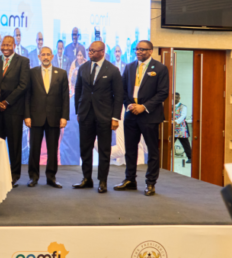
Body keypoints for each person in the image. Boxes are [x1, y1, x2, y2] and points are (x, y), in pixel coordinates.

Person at [115, 40, 169, 196]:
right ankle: (130, 180)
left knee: (152, 151)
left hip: (150, 115)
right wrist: (130, 105)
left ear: (150, 51)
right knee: (130, 150)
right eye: (136, 49)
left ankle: (150, 183)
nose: (138, 52)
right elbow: (122, 89)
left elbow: (163, 92)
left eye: (142, 49)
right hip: (131, 114)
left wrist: (143, 107)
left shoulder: (160, 68)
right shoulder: (129, 67)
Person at [73, 41, 124, 193]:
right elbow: (78, 90)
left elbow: (118, 95)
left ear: (102, 52)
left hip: (104, 117)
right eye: (89, 50)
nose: (90, 53)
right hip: (85, 115)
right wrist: (78, 112)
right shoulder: (83, 68)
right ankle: (86, 179)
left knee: (104, 151)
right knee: (85, 149)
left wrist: (115, 118)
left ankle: (102, 181)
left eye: (93, 51)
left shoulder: (113, 70)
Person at [25, 47, 69, 188]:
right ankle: (33, 177)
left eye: (48, 54)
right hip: (35, 117)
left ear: (52, 56)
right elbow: (27, 96)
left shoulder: (61, 73)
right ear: (39, 56)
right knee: (34, 150)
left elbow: (65, 98)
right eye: (43, 54)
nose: (45, 57)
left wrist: (64, 117)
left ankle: (51, 178)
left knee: (52, 149)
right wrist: (27, 116)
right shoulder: (32, 73)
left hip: (54, 117)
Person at [0, 35, 30, 186]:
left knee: (14, 145)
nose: (5, 47)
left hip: (13, 109)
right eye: (3, 45)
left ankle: (14, 176)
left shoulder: (23, 61)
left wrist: (6, 102)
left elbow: (23, 85)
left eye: (8, 45)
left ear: (14, 45)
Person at [173, 93, 192, 164]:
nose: (175, 98)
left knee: (185, 143)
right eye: (174, 97)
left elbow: (183, 116)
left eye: (177, 97)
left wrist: (176, 121)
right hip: (173, 128)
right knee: (169, 143)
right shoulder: (170, 106)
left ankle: (190, 157)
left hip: (181, 128)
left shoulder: (183, 107)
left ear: (179, 98)